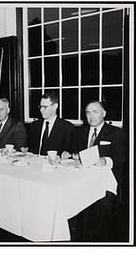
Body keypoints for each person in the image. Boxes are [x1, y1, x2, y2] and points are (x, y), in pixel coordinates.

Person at [63, 100, 126, 240]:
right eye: (88, 113)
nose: (91, 116)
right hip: (82, 179)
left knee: (102, 202)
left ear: (104, 113)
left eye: (95, 112)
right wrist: (68, 153)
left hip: (106, 181)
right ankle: (72, 232)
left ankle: (93, 237)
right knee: (65, 192)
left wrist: (105, 160)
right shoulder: (80, 132)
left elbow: (119, 157)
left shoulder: (116, 133)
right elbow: (75, 151)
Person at [28, 92, 76, 156]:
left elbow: (67, 153)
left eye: (45, 107)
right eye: (40, 106)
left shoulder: (67, 128)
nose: (41, 110)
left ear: (55, 106)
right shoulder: (34, 125)